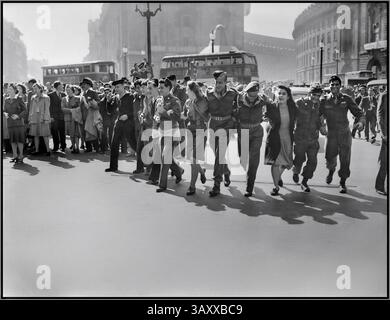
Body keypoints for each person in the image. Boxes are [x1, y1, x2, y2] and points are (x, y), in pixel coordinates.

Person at [319, 75, 365, 193]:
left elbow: (359, 112)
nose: (334, 86)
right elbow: (319, 115)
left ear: (340, 86)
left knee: (345, 159)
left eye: (336, 84)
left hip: (344, 133)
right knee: (329, 157)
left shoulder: (346, 98)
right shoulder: (324, 100)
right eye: (332, 84)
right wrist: (321, 126)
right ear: (329, 86)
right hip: (331, 134)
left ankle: (343, 181)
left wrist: (360, 122)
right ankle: (331, 171)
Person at [206, 70, 238, 197]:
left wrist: (234, 121)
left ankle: (216, 185)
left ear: (226, 83)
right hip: (213, 126)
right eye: (216, 82)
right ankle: (226, 171)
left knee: (219, 156)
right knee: (217, 155)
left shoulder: (232, 94)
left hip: (226, 127)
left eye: (220, 82)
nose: (218, 85)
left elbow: (238, 108)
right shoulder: (208, 93)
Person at [235, 81, 267, 197]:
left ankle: (249, 187)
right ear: (246, 92)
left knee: (254, 160)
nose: (253, 98)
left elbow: (273, 106)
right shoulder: (239, 99)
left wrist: (269, 116)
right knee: (242, 158)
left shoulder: (262, 99)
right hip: (243, 131)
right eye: (251, 95)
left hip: (257, 132)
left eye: (255, 95)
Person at [264, 85, 297, 196]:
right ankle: (275, 186)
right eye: (279, 93)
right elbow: (266, 116)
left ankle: (278, 177)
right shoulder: (271, 106)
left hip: (288, 138)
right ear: (276, 95)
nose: (281, 95)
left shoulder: (293, 107)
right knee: (275, 163)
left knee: (287, 163)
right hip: (274, 138)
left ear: (288, 97)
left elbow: (299, 120)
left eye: (284, 93)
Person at [292, 83, 323, 192]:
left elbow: (321, 120)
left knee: (313, 162)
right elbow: (291, 118)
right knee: (299, 158)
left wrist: (323, 128)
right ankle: (296, 171)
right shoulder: (299, 103)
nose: (316, 97)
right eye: (314, 94)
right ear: (310, 93)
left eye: (318, 95)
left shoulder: (320, 105)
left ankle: (304, 181)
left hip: (313, 139)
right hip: (300, 138)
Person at [155, 78, 184, 192]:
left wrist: (164, 112)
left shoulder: (175, 100)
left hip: (172, 131)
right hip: (162, 131)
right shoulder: (159, 100)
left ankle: (162, 185)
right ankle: (179, 171)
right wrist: (157, 117)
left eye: (162, 87)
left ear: (168, 87)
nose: (160, 89)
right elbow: (156, 114)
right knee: (167, 158)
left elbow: (177, 116)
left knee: (164, 158)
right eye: (159, 87)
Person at [105, 78, 137, 172]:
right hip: (118, 123)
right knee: (114, 144)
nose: (116, 89)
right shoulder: (115, 98)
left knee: (133, 144)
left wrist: (128, 115)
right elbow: (109, 111)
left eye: (118, 87)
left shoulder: (131, 96)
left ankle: (145, 165)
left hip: (128, 123)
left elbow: (135, 111)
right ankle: (113, 167)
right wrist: (108, 101)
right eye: (115, 87)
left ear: (124, 86)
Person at [183, 81, 208, 195]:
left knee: (194, 159)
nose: (185, 91)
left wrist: (194, 105)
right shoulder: (187, 102)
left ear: (192, 91)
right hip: (190, 130)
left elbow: (205, 116)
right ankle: (202, 171)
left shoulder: (203, 101)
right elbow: (184, 115)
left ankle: (192, 186)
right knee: (191, 159)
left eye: (187, 89)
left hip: (200, 130)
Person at [3, 84, 27, 163]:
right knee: (12, 140)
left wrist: (18, 116)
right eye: (8, 89)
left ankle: (21, 156)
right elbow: (4, 110)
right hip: (10, 123)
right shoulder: (6, 99)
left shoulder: (19, 99)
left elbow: (25, 110)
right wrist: (5, 114)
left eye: (11, 89)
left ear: (14, 90)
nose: (9, 90)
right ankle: (15, 155)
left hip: (18, 123)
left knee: (19, 140)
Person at [29, 83, 51, 156]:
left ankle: (48, 150)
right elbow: (31, 109)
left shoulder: (46, 97)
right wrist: (30, 118)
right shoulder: (33, 97)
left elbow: (47, 110)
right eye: (34, 88)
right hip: (35, 117)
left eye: (36, 88)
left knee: (45, 135)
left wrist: (46, 119)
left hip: (43, 118)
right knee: (36, 135)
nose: (34, 90)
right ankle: (37, 150)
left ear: (40, 89)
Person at [80, 77, 101, 153]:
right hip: (83, 115)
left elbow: (98, 102)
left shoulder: (93, 92)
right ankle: (88, 147)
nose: (82, 86)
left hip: (91, 115)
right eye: (82, 85)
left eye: (84, 84)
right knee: (85, 131)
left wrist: (91, 103)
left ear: (88, 85)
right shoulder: (82, 93)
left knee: (93, 131)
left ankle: (96, 147)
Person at [61, 85, 83, 154]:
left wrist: (75, 110)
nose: (68, 92)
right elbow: (62, 109)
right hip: (68, 119)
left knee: (76, 134)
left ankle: (77, 148)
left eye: (69, 90)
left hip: (75, 118)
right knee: (71, 134)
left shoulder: (77, 98)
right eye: (67, 90)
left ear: (73, 91)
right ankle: (73, 147)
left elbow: (80, 108)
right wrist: (71, 110)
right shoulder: (64, 99)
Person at [375, 92, 387, 195]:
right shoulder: (384, 95)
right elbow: (379, 115)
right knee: (384, 162)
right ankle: (379, 186)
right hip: (387, 135)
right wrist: (383, 133)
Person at [48, 81, 66, 152]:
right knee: (54, 132)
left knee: (62, 132)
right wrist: (51, 116)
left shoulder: (64, 94)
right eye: (62, 85)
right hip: (54, 116)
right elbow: (49, 107)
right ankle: (56, 146)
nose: (63, 87)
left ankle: (63, 146)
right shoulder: (50, 95)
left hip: (62, 116)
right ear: (58, 86)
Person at [98, 86, 116, 154]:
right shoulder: (102, 101)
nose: (106, 94)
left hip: (112, 120)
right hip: (105, 120)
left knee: (112, 135)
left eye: (108, 92)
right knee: (104, 135)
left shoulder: (113, 100)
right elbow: (101, 111)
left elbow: (114, 110)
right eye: (105, 93)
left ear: (110, 93)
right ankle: (103, 149)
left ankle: (112, 148)